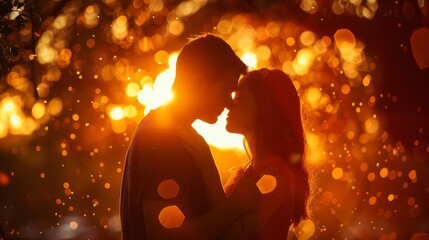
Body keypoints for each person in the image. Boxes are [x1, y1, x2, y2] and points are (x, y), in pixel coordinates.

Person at [120, 33, 260, 240]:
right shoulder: (165, 138)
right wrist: (236, 205)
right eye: (225, 92)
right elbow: (164, 235)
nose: (230, 104)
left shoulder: (158, 127)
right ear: (198, 83)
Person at [222, 68, 311, 239]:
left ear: (264, 105)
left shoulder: (273, 175)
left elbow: (235, 235)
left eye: (239, 98)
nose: (229, 104)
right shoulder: (254, 171)